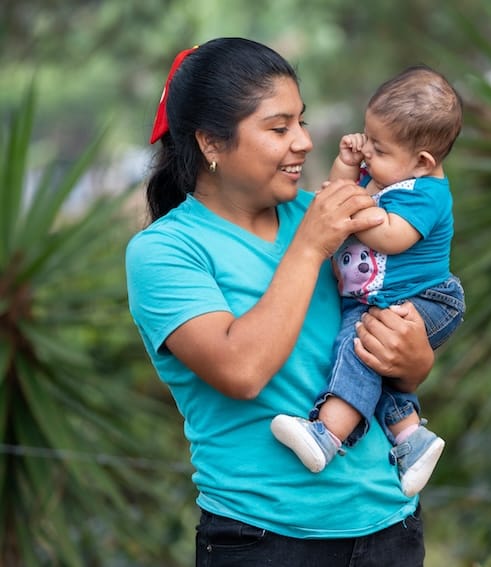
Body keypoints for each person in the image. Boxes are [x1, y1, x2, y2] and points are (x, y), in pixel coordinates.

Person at [125, 37, 437, 566]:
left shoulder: (327, 218)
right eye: (278, 128)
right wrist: (311, 245)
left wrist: (414, 361)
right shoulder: (164, 252)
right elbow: (242, 370)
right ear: (211, 144)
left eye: (302, 121)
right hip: (264, 541)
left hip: (389, 528)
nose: (304, 143)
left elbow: (380, 340)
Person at [270, 65, 465, 498]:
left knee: (358, 347)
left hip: (426, 298)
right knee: (374, 361)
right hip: (383, 299)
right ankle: (411, 439)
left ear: (422, 161)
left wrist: (354, 210)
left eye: (378, 146)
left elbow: (393, 237)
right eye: (367, 137)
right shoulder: (381, 177)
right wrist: (346, 165)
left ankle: (328, 433)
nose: (368, 151)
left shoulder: (426, 192)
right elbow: (334, 199)